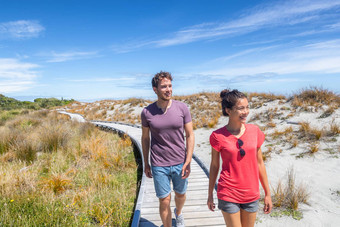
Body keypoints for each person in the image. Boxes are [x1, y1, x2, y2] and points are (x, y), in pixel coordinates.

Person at [207, 89, 272, 227]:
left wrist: (267, 193)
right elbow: (214, 166)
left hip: (251, 193)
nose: (246, 112)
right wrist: (210, 194)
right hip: (228, 192)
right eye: (241, 108)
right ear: (228, 111)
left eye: (247, 107)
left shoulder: (255, 131)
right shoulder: (217, 136)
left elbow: (260, 163)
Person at [141, 71, 195, 227]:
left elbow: (190, 135)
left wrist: (188, 160)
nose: (168, 89)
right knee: (164, 200)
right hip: (159, 164)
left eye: (170, 86)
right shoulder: (147, 112)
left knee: (180, 194)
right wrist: (146, 163)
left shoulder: (182, 108)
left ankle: (178, 213)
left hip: (180, 162)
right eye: (163, 86)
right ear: (155, 89)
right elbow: (145, 138)